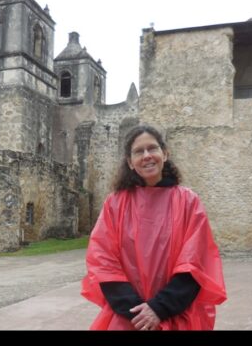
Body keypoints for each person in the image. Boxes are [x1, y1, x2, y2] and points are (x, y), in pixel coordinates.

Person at [81, 125, 226, 330]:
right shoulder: (115, 204)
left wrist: (159, 308)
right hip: (130, 318)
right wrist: (138, 312)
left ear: (164, 154)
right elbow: (103, 261)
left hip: (175, 315)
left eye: (152, 148)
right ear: (130, 163)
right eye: (139, 151)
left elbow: (195, 262)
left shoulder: (188, 202)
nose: (147, 155)